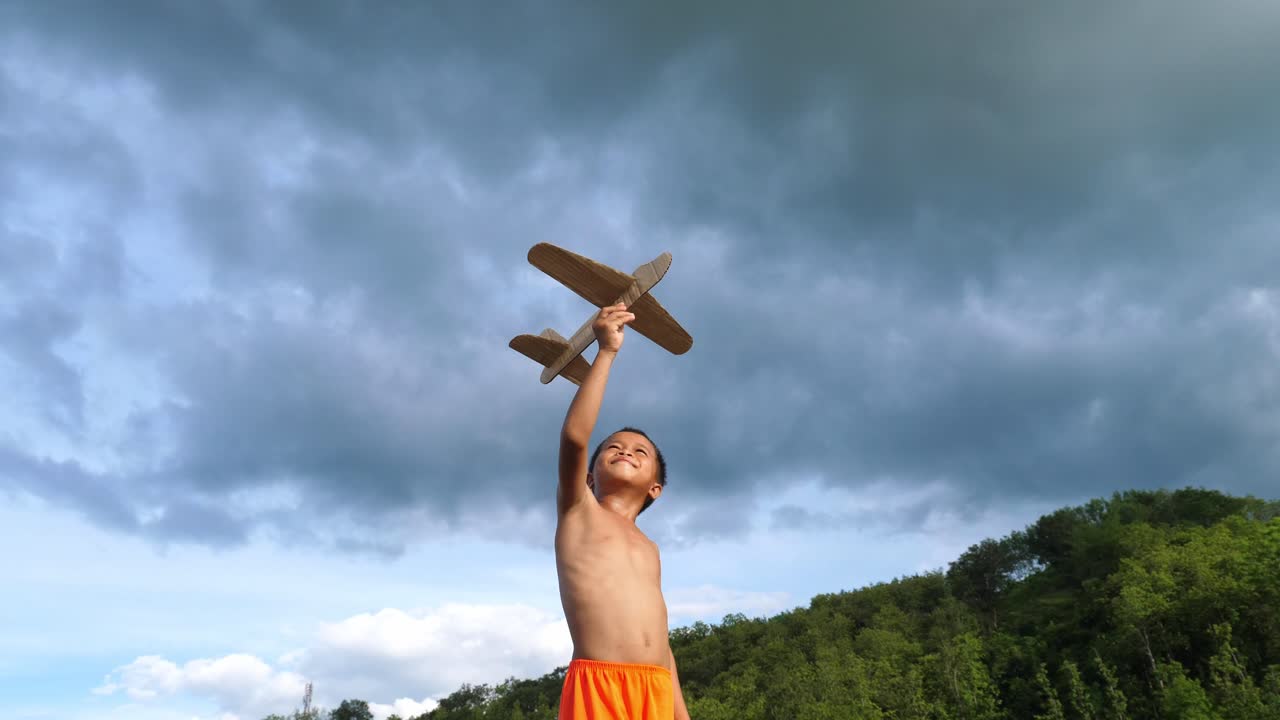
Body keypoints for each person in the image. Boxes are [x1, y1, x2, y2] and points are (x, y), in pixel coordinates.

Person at [555, 302, 690, 719]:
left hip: (657, 690)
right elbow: (576, 437)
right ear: (590, 476)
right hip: (600, 686)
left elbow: (662, 642)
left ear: (656, 488)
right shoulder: (579, 511)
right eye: (612, 446)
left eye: (639, 451)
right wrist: (607, 351)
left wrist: (680, 713)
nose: (624, 450)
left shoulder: (649, 548)